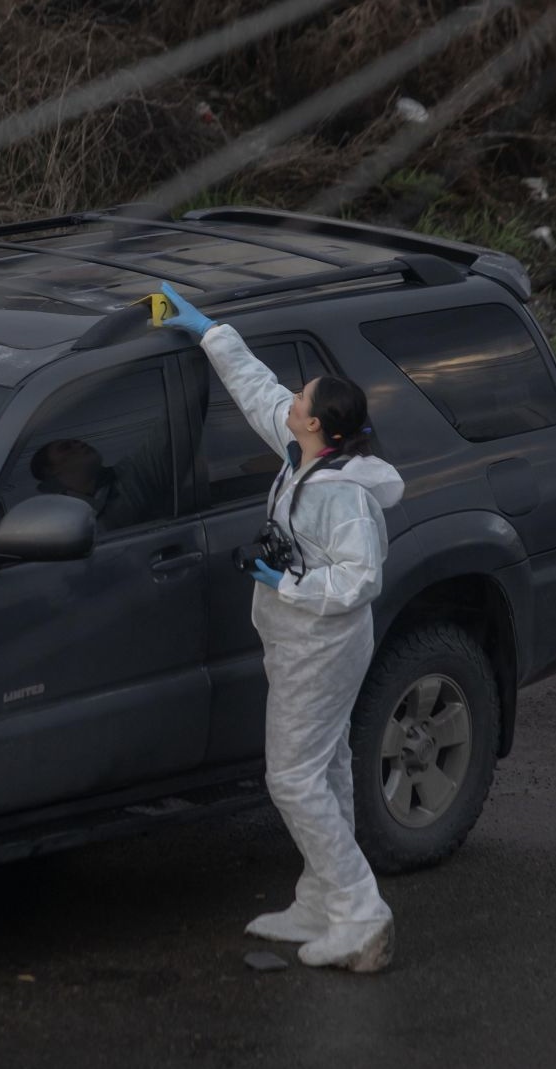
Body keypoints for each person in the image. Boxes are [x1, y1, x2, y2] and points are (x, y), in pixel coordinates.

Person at [157, 281, 404, 974]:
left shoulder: (345, 495)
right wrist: (206, 330)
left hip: (321, 645)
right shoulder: (302, 453)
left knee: (292, 778)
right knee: (323, 767)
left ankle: (360, 912)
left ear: (319, 426)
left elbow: (362, 580)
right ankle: (320, 899)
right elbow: (255, 387)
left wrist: (288, 582)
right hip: (296, 640)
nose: (291, 401)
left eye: (303, 400)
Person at [29, 434, 172, 532]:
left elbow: (172, 428)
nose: (79, 443)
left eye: (76, 441)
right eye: (66, 447)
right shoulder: (59, 526)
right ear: (51, 471)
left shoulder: (135, 472)